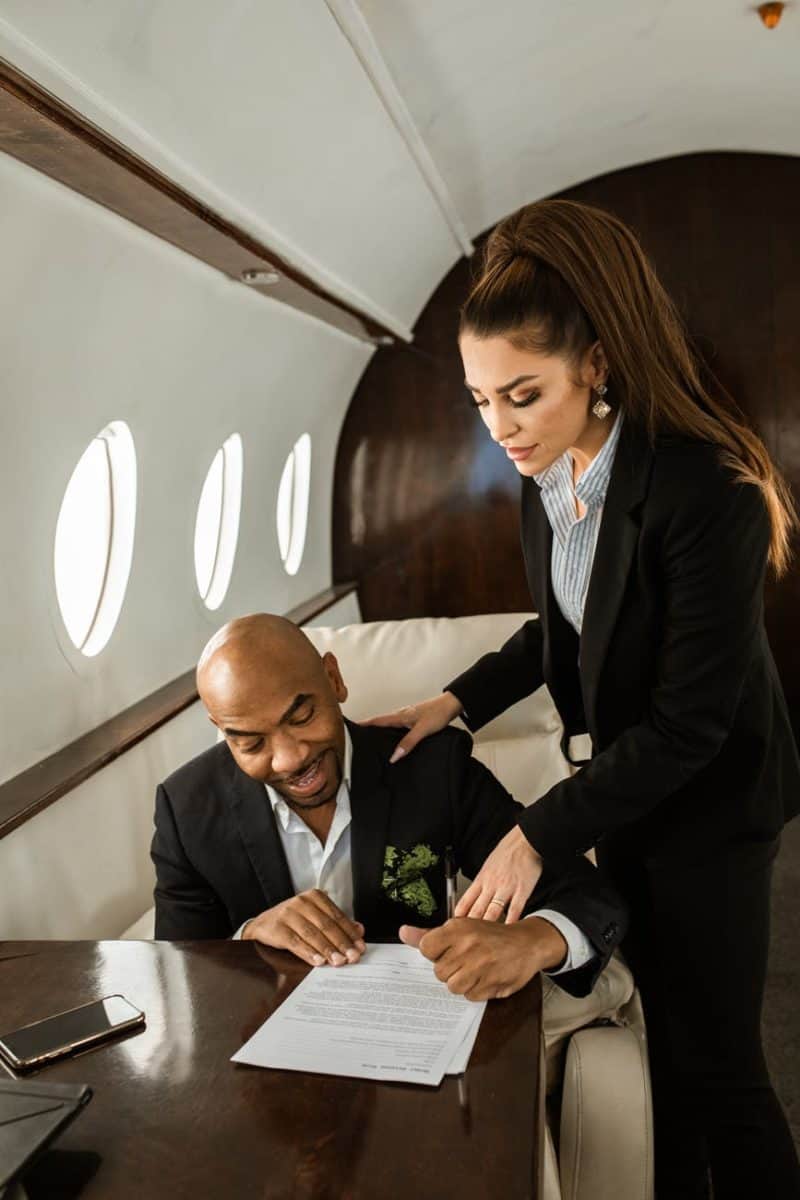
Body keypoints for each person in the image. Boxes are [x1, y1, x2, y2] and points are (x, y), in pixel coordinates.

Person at [366, 199, 800, 1198]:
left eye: (522, 396)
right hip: (630, 793)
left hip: (713, 806)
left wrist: (534, 835)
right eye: (481, 400)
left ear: (596, 366)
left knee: (721, 1068)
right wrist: (453, 702)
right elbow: (563, 628)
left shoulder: (709, 492)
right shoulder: (550, 475)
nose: (499, 428)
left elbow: (689, 726)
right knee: (664, 1055)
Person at [151, 613, 626, 1003]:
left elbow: (588, 895)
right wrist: (248, 937)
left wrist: (534, 940)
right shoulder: (185, 809)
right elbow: (175, 971)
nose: (290, 758)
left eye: (302, 717)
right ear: (222, 729)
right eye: (252, 743)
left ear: (334, 679)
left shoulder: (433, 770)